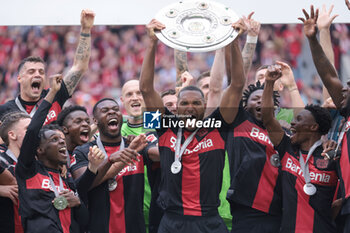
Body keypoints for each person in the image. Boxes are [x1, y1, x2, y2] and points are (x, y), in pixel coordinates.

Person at [139, 17, 246, 233]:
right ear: (176, 107)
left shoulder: (218, 126)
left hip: (209, 221)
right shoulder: (165, 127)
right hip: (172, 221)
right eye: (184, 103)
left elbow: (236, 85)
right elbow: (147, 89)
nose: (190, 107)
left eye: (196, 103)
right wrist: (152, 43)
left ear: (204, 105)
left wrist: (234, 41)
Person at [15, 74, 103, 232]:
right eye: (54, 139)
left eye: (62, 139)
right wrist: (51, 94)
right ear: (39, 149)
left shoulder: (66, 178)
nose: (62, 142)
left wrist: (77, 203)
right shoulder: (28, 170)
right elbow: (33, 130)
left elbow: (84, 220)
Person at [261, 64, 337, 233]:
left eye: (299, 119)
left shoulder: (330, 155)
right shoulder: (287, 147)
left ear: (313, 127)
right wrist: (268, 82)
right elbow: (267, 118)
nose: (293, 123)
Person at [301, 4, 350, 232]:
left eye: (349, 86)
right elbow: (329, 75)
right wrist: (313, 39)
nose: (345, 88)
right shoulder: (344, 116)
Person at [0, 9, 95, 124]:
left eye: (41, 72)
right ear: (19, 78)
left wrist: (85, 29)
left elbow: (80, 67)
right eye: (31, 72)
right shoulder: (6, 110)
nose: (37, 75)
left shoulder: (55, 95)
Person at [71, 98, 148, 233]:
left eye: (115, 109)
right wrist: (109, 160)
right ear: (95, 120)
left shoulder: (137, 146)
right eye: (105, 111)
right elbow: (82, 187)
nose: (112, 112)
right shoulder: (83, 151)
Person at [0, 111, 31, 233]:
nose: (35, 133)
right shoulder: (2, 159)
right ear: (12, 135)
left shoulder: (42, 161)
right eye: (29, 129)